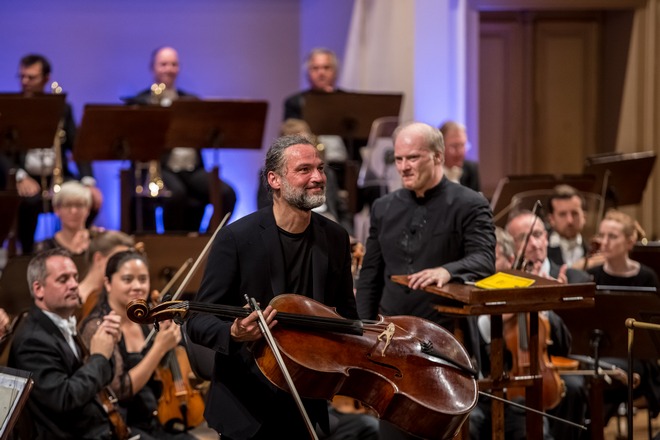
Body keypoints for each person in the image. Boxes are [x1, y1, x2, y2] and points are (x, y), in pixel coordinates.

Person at [186, 134, 379, 439]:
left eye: (320, 168)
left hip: (307, 399)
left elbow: (345, 317)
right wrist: (234, 332)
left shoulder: (335, 238)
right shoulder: (237, 238)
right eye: (304, 170)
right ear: (274, 180)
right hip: (247, 405)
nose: (317, 177)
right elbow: (198, 320)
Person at [355, 121, 495, 439]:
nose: (404, 167)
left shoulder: (470, 203)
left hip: (444, 339)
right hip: (393, 342)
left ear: (438, 156)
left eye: (413, 158)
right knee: (393, 430)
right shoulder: (384, 207)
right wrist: (363, 332)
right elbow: (371, 275)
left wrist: (448, 271)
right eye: (399, 159)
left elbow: (484, 259)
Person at [80, 250, 196, 439]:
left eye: (143, 279)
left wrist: (173, 342)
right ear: (108, 284)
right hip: (123, 425)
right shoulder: (99, 326)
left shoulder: (150, 318)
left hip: (158, 417)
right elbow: (119, 390)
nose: (137, 286)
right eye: (127, 279)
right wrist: (159, 349)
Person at [7, 248, 122, 439]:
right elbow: (64, 398)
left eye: (75, 277)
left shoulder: (61, 321)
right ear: (38, 289)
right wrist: (100, 357)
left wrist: (107, 345)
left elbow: (100, 378)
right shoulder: (32, 340)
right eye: (63, 279)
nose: (74, 285)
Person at [126, 46, 236, 232]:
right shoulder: (141, 101)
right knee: (176, 195)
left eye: (174, 64)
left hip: (193, 169)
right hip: (163, 168)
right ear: (152, 68)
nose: (169, 69)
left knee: (226, 193)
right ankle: (173, 245)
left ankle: (209, 240)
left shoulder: (191, 101)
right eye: (163, 64)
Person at [505, 210, 590, 440]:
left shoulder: (574, 278)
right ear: (511, 245)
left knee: (572, 388)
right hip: (515, 366)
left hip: (559, 363)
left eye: (538, 235)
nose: (533, 244)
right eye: (523, 238)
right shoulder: (504, 281)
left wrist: (550, 304)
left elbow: (573, 342)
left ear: (546, 238)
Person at [8, 54, 101, 254]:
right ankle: (27, 255)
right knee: (29, 201)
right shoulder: (11, 107)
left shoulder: (62, 108)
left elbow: (77, 147)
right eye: (22, 77)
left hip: (56, 174)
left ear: (46, 78)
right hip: (25, 175)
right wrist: (19, 175)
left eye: (31, 77)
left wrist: (88, 181)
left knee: (88, 198)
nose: (25, 82)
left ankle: (74, 248)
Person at [585, 209, 660, 424]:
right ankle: (592, 426)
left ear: (630, 242)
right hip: (600, 352)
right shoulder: (592, 275)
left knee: (609, 377)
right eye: (602, 236)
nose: (604, 242)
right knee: (596, 375)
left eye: (612, 236)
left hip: (636, 355)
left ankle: (592, 427)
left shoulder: (647, 276)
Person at [77, 229, 135, 321]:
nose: (125, 268)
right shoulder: (74, 299)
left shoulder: (116, 298)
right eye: (119, 260)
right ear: (98, 259)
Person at [34, 180, 95, 256]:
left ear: (88, 209)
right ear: (56, 209)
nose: (73, 211)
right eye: (68, 205)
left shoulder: (98, 242)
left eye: (79, 205)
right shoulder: (44, 248)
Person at [545, 185, 591, 268]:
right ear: (551, 219)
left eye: (574, 213)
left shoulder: (591, 251)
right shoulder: (541, 249)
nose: (570, 220)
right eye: (562, 214)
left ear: (584, 217)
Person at [439, 121, 480, 192]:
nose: (460, 152)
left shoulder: (471, 169)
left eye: (463, 145)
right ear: (440, 147)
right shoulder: (431, 172)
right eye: (455, 146)